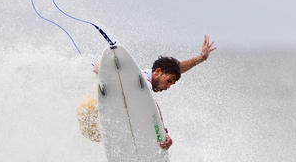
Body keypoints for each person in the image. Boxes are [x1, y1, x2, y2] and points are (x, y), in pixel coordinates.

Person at [76, 35, 216, 149]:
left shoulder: (141, 76)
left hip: (87, 109)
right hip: (94, 111)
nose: (168, 87)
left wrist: (201, 58)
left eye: (171, 83)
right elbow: (153, 108)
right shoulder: (144, 83)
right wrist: (163, 133)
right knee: (131, 130)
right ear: (157, 72)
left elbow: (175, 69)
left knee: (128, 129)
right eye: (168, 81)